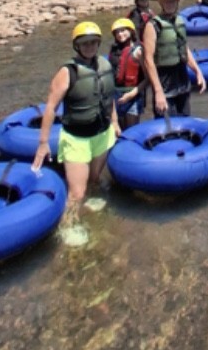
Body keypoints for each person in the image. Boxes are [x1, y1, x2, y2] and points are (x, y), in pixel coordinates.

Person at [32, 21, 120, 235]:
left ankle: (89, 205)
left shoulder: (105, 65)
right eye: (84, 42)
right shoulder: (67, 71)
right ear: (77, 45)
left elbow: (108, 97)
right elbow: (51, 107)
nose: (89, 46)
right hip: (77, 139)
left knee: (95, 178)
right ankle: (68, 224)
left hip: (102, 133)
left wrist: (115, 122)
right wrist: (43, 143)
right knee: (76, 193)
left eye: (93, 42)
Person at [143, 0, 206, 117]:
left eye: (173, 0)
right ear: (161, 2)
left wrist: (197, 71)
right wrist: (158, 91)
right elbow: (148, 60)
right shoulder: (153, 25)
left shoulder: (180, 21)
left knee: (185, 118)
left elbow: (184, 48)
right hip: (164, 80)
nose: (171, 4)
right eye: (167, 1)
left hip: (182, 78)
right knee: (167, 124)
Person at [108, 17, 147, 128]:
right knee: (119, 130)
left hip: (133, 95)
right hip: (116, 95)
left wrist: (131, 95)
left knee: (131, 130)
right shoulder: (114, 50)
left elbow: (148, 78)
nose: (120, 34)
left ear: (131, 31)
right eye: (117, 32)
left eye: (123, 30)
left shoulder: (138, 51)